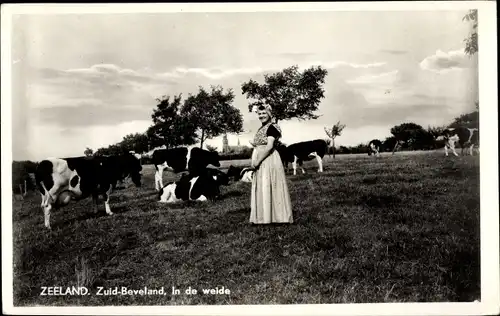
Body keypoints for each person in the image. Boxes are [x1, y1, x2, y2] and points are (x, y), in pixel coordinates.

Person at [248, 104, 293, 224]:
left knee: (270, 185)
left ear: (269, 114)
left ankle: (277, 217)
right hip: (262, 159)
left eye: (264, 113)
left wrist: (257, 161)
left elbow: (269, 147)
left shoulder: (272, 127)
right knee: (263, 186)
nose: (261, 116)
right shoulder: (261, 128)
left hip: (268, 159)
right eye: (259, 114)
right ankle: (263, 217)